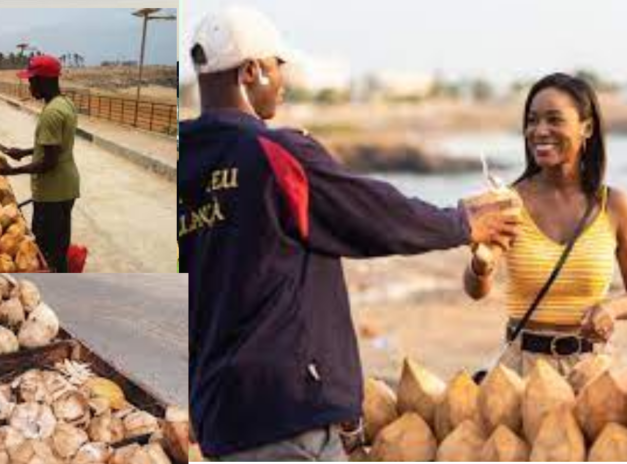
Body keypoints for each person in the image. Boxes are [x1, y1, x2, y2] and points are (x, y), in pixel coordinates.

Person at [179, 6, 522, 461]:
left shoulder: (182, 158)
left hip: (221, 411)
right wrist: (462, 221)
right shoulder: (274, 154)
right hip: (287, 410)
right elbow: (374, 214)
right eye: (278, 68)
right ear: (251, 72)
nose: (283, 80)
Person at [464, 72, 627, 376]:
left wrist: (612, 309)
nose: (539, 130)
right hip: (520, 366)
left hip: (590, 370)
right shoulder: (509, 202)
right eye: (532, 120)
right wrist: (480, 263)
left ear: (587, 128)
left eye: (554, 120)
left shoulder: (614, 205)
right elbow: (476, 291)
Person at [0, 55, 80, 272]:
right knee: (59, 245)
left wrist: (11, 171)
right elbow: (54, 146)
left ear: (44, 80)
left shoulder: (51, 113)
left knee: (45, 253)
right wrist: (24, 152)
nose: (30, 85)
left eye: (32, 80)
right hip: (66, 187)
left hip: (52, 192)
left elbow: (48, 162)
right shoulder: (65, 103)